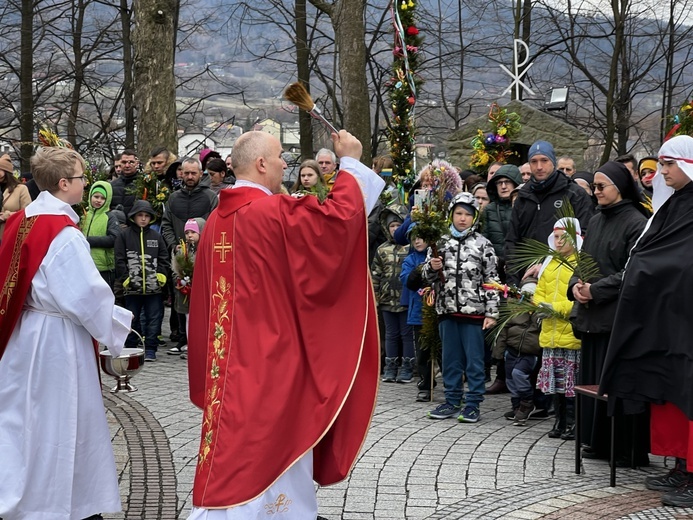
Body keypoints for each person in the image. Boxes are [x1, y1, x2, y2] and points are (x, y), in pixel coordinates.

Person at [186, 130, 383, 518]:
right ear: (261, 164)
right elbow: (338, 224)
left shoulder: (215, 222)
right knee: (270, 450)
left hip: (227, 365)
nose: (285, 164)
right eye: (279, 157)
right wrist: (352, 163)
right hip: (272, 362)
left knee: (238, 450)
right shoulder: (271, 212)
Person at [0, 146, 132, 519]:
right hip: (56, 342)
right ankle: (58, 504)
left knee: (23, 420)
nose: (85, 184)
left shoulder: (22, 219)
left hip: (24, 334)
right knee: (61, 421)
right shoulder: (64, 233)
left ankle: (19, 492)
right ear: (63, 184)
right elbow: (86, 297)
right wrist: (119, 326)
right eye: (80, 178)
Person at [599, 136, 693, 507]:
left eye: (669, 165)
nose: (662, 172)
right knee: (672, 392)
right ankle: (683, 465)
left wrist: (649, 270)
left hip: (686, 319)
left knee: (688, 393)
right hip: (669, 318)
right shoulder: (675, 204)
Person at [567, 161, 648, 464]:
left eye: (601, 187)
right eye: (595, 187)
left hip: (617, 317)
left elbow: (633, 271)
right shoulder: (598, 219)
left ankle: (624, 448)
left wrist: (595, 290)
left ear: (621, 187)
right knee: (593, 381)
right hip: (592, 315)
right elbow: (583, 260)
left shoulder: (637, 222)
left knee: (615, 383)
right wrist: (576, 284)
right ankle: (597, 440)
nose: (596, 192)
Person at [423, 192, 499, 423]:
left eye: (468, 214)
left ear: (475, 217)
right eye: (458, 213)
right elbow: (428, 277)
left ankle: (473, 403)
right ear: (451, 214)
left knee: (474, 361)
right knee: (451, 359)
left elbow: (491, 280)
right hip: (447, 311)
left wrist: (492, 313)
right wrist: (431, 267)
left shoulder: (483, 244)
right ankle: (452, 399)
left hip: (474, 314)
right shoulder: (440, 242)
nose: (463, 218)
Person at [505, 140, 594, 286]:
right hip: (526, 276)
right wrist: (512, 282)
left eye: (544, 160)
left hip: (563, 277)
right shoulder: (523, 196)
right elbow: (513, 241)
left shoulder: (574, 194)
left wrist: (547, 265)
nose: (539, 167)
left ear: (553, 161)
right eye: (534, 161)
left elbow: (585, 237)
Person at [161, 157, 218, 354]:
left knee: (201, 297)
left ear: (200, 174)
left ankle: (202, 337)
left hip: (203, 255)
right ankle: (181, 338)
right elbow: (166, 224)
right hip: (179, 255)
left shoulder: (210, 197)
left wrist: (202, 245)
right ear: (181, 174)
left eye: (194, 173)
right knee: (179, 294)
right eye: (186, 173)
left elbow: (214, 224)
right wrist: (175, 246)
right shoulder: (174, 198)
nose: (190, 176)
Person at [534, 218, 583, 440]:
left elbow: (578, 301)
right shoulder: (549, 263)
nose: (560, 241)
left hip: (570, 333)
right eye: (556, 237)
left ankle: (573, 423)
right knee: (557, 382)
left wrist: (554, 309)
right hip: (550, 333)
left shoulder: (581, 263)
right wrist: (538, 306)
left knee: (571, 383)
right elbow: (539, 292)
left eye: (565, 237)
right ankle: (559, 422)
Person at [115, 199, 170, 361]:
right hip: (132, 288)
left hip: (154, 289)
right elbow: (119, 259)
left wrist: (161, 277)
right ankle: (131, 346)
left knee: (154, 318)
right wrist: (126, 279)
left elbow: (163, 258)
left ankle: (151, 348)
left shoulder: (156, 236)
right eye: (140, 215)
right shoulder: (124, 236)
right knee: (132, 318)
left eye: (147, 215)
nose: (144, 219)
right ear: (133, 216)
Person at [371, 203, 413, 383]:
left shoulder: (410, 247)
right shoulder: (382, 249)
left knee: (406, 334)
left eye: (398, 225)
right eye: (392, 226)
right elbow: (375, 274)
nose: (395, 229)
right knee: (390, 334)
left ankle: (408, 366)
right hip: (387, 300)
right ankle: (390, 365)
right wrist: (375, 296)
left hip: (405, 300)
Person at [494, 276, 541, 425]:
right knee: (510, 379)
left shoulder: (540, 312)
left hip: (530, 352)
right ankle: (517, 406)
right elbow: (504, 330)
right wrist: (499, 352)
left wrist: (536, 311)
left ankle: (527, 402)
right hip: (512, 349)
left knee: (518, 374)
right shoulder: (514, 308)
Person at [400, 225, 433, 401]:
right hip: (418, 314)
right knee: (423, 353)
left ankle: (452, 387)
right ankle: (425, 384)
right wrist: (420, 269)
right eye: (414, 238)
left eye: (421, 236)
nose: (417, 241)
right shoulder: (411, 259)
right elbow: (407, 280)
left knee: (442, 352)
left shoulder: (437, 256)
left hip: (437, 311)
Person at [171, 217, 205, 360]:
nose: (189, 235)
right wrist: (180, 279)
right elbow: (175, 268)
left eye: (193, 232)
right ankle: (189, 344)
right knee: (187, 318)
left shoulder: (204, 250)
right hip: (186, 292)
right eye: (187, 232)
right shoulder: (183, 251)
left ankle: (199, 345)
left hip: (200, 292)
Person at [81, 180, 121, 288]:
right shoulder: (83, 215)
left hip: (104, 267)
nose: (99, 200)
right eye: (96, 196)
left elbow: (114, 238)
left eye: (103, 198)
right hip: (84, 265)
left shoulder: (110, 217)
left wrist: (88, 240)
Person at [0, 154, 31, 240]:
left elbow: (27, 213)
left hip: (10, 235)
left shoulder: (21, 189)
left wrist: (7, 215)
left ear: (6, 172)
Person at [110, 148, 140, 215]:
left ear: (137, 163)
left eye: (131, 162)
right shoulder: (112, 186)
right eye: (124, 162)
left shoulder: (143, 185)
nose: (127, 165)